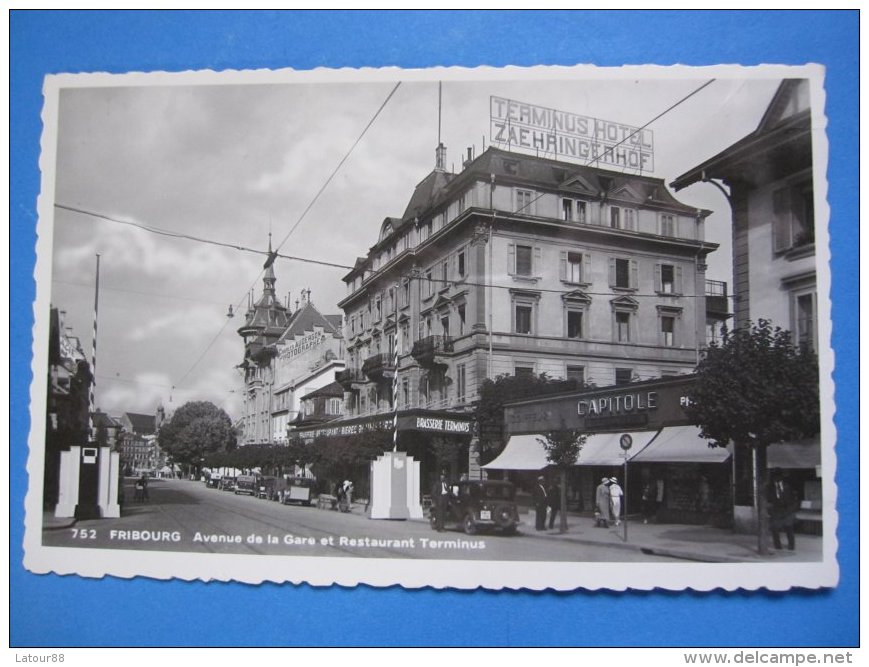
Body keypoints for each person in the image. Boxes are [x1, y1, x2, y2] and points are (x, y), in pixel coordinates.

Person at [767, 468, 799, 551]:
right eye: (775, 478)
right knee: (775, 529)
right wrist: (770, 510)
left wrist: (792, 508)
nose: (777, 479)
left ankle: (791, 546)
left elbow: (794, 497)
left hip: (787, 510)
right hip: (776, 510)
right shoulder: (769, 487)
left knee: (789, 528)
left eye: (778, 477)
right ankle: (778, 546)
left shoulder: (787, 485)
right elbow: (768, 499)